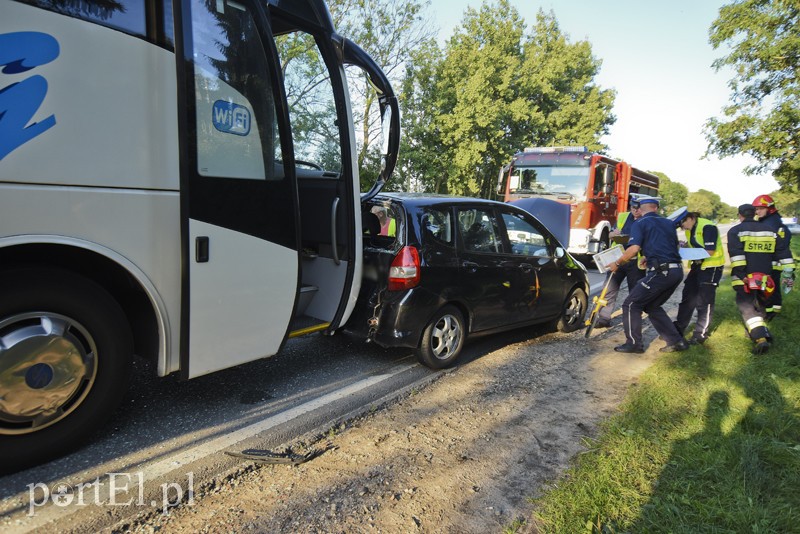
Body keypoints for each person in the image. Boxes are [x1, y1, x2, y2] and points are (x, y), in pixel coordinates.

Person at [605, 196, 688, 353]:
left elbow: (634, 248)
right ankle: (676, 341)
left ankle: (634, 343)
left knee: (630, 304)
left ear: (640, 209)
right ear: (656, 208)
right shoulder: (669, 223)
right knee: (652, 305)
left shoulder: (640, 223)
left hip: (661, 272)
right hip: (676, 270)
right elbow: (672, 246)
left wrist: (616, 263)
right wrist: (647, 256)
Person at [727, 204, 793, 354]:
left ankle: (760, 338)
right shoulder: (770, 231)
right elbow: (783, 252)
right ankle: (759, 328)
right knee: (761, 304)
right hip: (765, 278)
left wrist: (743, 276)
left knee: (747, 307)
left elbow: (737, 257)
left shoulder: (735, 231)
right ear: (755, 213)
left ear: (740, 215)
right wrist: (789, 272)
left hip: (744, 279)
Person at [673, 210, 725, 344]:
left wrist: (685, 253)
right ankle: (678, 328)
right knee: (687, 297)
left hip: (711, 267)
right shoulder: (689, 229)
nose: (682, 227)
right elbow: (695, 246)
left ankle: (700, 334)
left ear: (691, 218)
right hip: (697, 266)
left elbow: (709, 251)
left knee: (704, 302)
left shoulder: (708, 227)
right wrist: (684, 247)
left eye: (683, 223)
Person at [594, 196, 646, 328]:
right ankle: (603, 318)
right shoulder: (623, 217)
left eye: (638, 209)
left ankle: (634, 320)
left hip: (635, 262)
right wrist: (614, 234)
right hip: (617, 259)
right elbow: (610, 235)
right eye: (633, 208)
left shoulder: (647, 221)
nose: (635, 211)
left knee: (635, 291)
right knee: (609, 289)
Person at [752, 194, 795, 319]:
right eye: (756, 209)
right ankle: (774, 310)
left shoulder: (770, 224)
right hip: (774, 262)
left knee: (767, 289)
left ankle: (768, 314)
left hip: (770, 262)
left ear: (769, 209)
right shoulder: (772, 221)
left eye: (760, 208)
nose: (757, 211)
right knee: (773, 288)